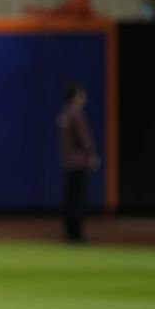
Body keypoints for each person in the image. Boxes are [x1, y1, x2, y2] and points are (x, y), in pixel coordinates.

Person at [58, 82, 99, 243]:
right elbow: (84, 139)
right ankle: (76, 234)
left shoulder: (64, 113)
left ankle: (69, 232)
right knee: (78, 199)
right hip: (79, 162)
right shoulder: (76, 114)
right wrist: (91, 155)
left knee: (70, 198)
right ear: (76, 95)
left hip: (68, 161)